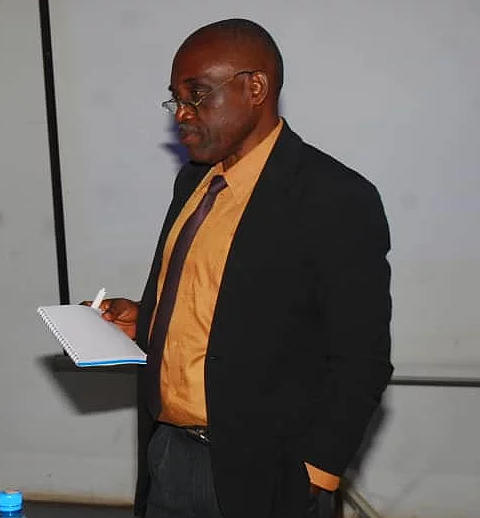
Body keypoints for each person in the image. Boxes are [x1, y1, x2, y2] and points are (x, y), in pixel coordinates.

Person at [88, 18, 393, 518]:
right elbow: (232, 309)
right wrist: (145, 318)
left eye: (198, 95)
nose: (182, 115)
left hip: (271, 477)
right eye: (176, 100)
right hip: (169, 455)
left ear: (255, 87)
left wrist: (316, 474)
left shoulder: (334, 196)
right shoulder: (192, 184)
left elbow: (362, 359)